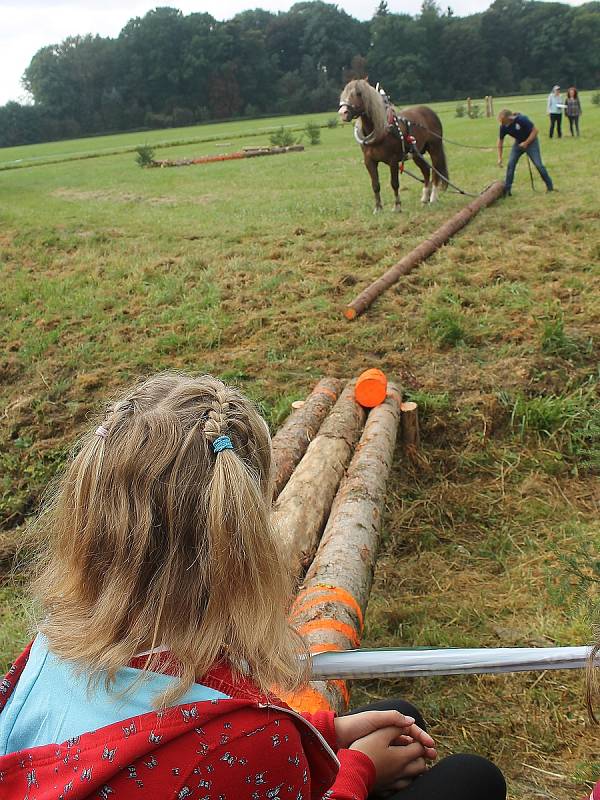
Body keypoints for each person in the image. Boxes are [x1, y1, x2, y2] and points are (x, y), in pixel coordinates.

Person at [0, 373, 506, 800]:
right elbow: (237, 753)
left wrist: (321, 735)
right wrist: (357, 772)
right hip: (230, 764)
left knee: (395, 718)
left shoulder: (44, 649)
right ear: (245, 544)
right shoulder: (252, 742)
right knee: (473, 779)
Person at [497, 108, 554, 195]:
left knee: (538, 165)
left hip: (531, 142)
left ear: (509, 118)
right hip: (518, 143)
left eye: (503, 121)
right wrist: (500, 158)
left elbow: (535, 131)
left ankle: (550, 187)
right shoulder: (503, 127)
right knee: (511, 164)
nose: (502, 124)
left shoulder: (521, 119)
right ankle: (507, 191)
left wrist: (526, 143)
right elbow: (500, 141)